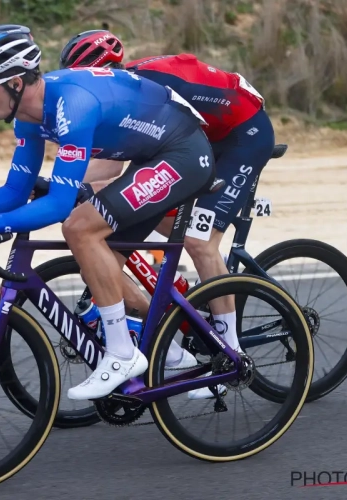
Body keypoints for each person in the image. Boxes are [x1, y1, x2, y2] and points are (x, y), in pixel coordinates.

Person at [0, 24, 217, 401]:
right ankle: (170, 351)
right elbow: (13, 192)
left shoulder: (73, 106)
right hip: (150, 154)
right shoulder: (28, 116)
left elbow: (56, 204)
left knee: (81, 227)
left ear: (16, 83)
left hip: (183, 153)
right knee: (98, 252)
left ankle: (122, 353)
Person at [56, 29, 276, 397]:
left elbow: (110, 171)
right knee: (107, 253)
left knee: (197, 240)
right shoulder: (117, 101)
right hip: (183, 138)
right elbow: (104, 169)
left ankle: (229, 353)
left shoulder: (143, 90)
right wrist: (57, 182)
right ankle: (168, 344)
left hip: (242, 134)